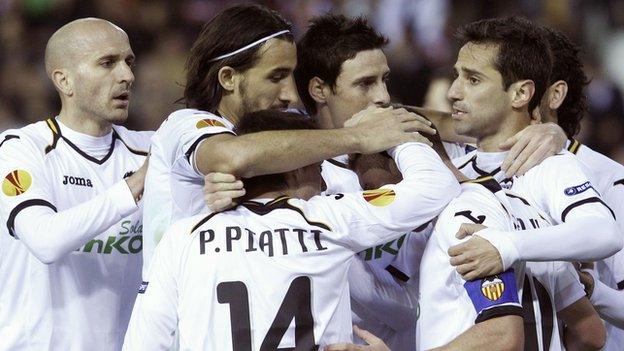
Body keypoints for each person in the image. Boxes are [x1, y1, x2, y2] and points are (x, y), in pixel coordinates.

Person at [123, 110, 459, 350]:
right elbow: (436, 186)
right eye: (316, 166)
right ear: (294, 168)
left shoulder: (184, 237)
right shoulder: (328, 218)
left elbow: (145, 342)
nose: (325, 180)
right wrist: (394, 128)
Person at [141, 4, 430, 277]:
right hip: (180, 318)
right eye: (276, 76)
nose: (290, 94)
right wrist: (359, 137)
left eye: (292, 76)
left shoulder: (274, 144)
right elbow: (231, 156)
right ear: (228, 78)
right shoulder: (185, 125)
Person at [443, 16, 615, 350]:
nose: (453, 92)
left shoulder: (547, 165)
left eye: (473, 79)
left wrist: (505, 246)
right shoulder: (450, 170)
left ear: (521, 93)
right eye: (457, 75)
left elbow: (604, 232)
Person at [0, 18, 151, 350]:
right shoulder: (20, 149)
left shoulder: (150, 151)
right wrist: (133, 187)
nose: (127, 75)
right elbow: (44, 241)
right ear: (64, 80)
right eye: (107, 63)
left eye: (129, 62)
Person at [530, 25, 624, 351]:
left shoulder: (612, 181)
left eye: (523, 81)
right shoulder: (481, 165)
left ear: (555, 94)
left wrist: (589, 288)